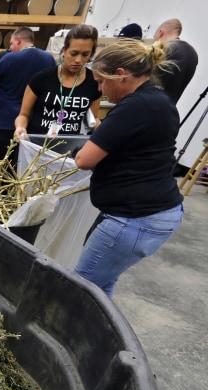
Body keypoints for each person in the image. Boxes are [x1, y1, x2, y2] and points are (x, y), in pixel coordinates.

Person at [73, 39, 184, 297]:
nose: (100, 90)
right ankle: (99, 336)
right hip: (155, 212)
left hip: (135, 218)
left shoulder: (134, 106)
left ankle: (80, 337)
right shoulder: (159, 99)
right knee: (101, 286)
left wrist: (86, 147)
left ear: (121, 75)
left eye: (101, 81)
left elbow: (84, 160)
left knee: (78, 291)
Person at [0, 26, 56, 168]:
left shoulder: (10, 58)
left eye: (11, 44)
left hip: (3, 121)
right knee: (19, 166)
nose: (10, 48)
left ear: (19, 40)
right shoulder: (48, 59)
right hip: (31, 124)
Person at [14, 24, 101, 139]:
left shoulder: (94, 82)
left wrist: (101, 128)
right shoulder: (41, 79)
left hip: (69, 149)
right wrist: (20, 127)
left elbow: (93, 118)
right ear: (64, 51)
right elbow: (23, 115)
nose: (78, 60)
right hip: (36, 146)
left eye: (85, 54)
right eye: (73, 53)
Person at [153, 18, 199, 105]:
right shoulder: (193, 54)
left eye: (154, 37)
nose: (154, 41)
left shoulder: (165, 49)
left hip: (148, 107)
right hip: (169, 112)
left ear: (160, 33)